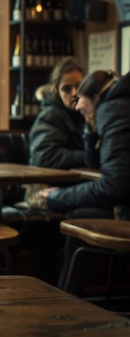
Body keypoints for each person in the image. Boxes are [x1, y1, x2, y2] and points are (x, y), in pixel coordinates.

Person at [37, 70, 130, 295]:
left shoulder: (114, 109)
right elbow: (94, 164)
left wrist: (57, 197)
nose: (76, 106)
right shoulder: (116, 106)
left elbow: (114, 186)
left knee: (80, 216)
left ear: (97, 97)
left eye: (81, 99)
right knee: (82, 210)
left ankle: (65, 301)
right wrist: (90, 127)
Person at [23, 59, 85, 208]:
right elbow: (45, 157)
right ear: (56, 91)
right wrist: (91, 156)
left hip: (71, 186)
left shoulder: (85, 113)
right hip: (47, 191)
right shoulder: (51, 115)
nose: (75, 93)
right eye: (66, 89)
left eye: (79, 85)